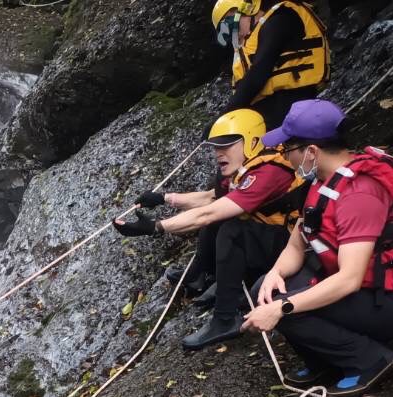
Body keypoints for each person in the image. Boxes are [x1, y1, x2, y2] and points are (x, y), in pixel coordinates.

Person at [242, 99, 393, 395]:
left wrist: (282, 308)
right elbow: (297, 244)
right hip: (359, 295)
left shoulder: (359, 194)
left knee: (283, 307)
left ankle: (371, 359)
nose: (285, 157)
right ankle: (324, 359)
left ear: (311, 152)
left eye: (287, 150)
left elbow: (349, 279)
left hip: (384, 304)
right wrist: (275, 273)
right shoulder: (324, 181)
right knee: (264, 289)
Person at [114, 109, 305, 350]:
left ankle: (225, 318)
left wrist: (156, 227)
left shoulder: (268, 173)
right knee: (222, 220)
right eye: (216, 147)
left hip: (290, 248)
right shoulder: (248, 165)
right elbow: (211, 198)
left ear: (253, 141)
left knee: (231, 229)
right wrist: (164, 198)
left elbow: (210, 212)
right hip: (272, 240)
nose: (219, 153)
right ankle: (201, 277)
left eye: (227, 145)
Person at [211, 0, 329, 128]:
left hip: (294, 105)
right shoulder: (253, 40)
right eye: (227, 34)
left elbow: (258, 74)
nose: (236, 35)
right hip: (273, 110)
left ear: (249, 9)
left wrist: (222, 117)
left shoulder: (281, 20)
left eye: (230, 27)